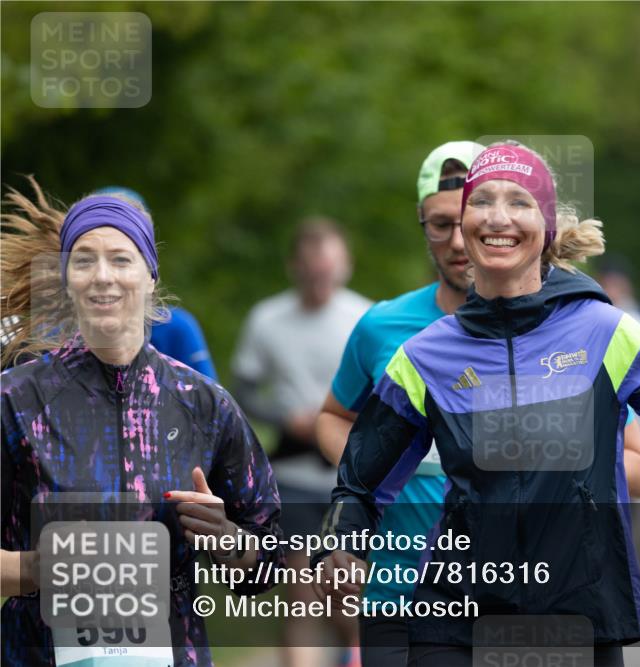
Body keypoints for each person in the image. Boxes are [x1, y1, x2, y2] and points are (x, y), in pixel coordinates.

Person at [313, 141, 640, 666]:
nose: (498, 217)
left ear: (548, 226)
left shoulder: (606, 333)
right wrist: (340, 546)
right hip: (456, 622)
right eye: (481, 201)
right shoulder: (424, 357)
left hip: (578, 620)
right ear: (465, 225)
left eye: (519, 201)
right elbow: (361, 482)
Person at [0, 180, 282, 667]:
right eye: (83, 261)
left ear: (150, 276)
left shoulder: (204, 405)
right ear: (66, 280)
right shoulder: (16, 401)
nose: (102, 276)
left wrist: (226, 539)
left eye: (121, 259)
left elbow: (268, 565)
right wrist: (35, 569)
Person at [231, 217, 370, 666]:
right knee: (302, 594)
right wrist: (285, 418)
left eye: (328, 271)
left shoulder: (368, 319)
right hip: (291, 476)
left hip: (350, 478)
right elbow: (243, 391)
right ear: (295, 267)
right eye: (312, 272)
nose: (320, 280)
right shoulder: (267, 319)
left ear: (346, 265)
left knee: (345, 597)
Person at [93, 187, 218, 379]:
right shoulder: (60, 336)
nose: (106, 276)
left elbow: (208, 395)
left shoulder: (175, 328)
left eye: (122, 258)